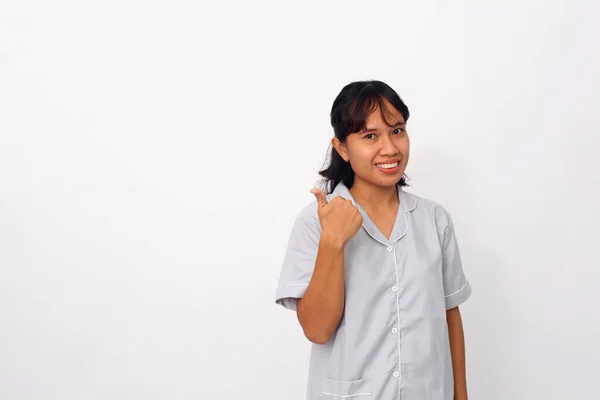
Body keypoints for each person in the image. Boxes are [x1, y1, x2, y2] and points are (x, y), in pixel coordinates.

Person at [274, 80, 472, 400]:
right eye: (370, 136)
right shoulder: (314, 223)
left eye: (397, 130)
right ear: (342, 148)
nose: (390, 148)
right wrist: (333, 242)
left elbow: (450, 314)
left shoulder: (434, 221)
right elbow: (316, 330)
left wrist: (461, 395)